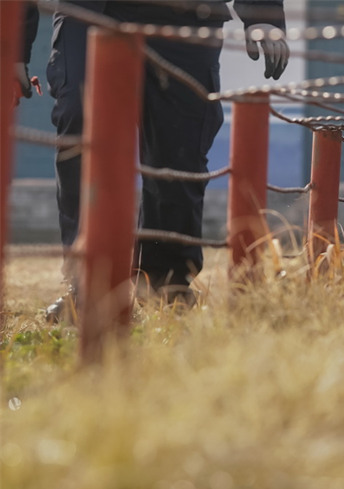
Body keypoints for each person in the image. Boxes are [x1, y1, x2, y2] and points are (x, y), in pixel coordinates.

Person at [16, 0, 289, 322]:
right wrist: (14, 47)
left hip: (188, 15)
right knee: (82, 126)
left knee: (179, 149)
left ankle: (166, 288)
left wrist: (263, 13)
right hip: (89, 11)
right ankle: (89, 285)